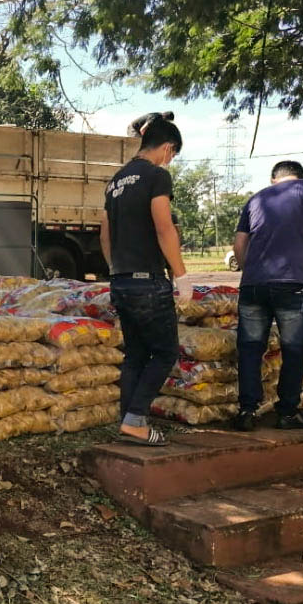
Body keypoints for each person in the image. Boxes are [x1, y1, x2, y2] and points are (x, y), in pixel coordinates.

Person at [231, 160, 303, 432]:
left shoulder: (256, 198)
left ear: (274, 180)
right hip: (291, 284)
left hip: (253, 285)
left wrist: (252, 271)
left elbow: (239, 244)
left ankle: (247, 411)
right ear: (300, 178)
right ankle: (287, 412)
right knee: (293, 349)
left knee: (250, 348)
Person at [100, 118, 190, 446]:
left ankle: (128, 421)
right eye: (172, 154)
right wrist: (181, 276)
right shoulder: (157, 176)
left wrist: (117, 270)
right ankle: (136, 421)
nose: (170, 160)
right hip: (149, 283)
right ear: (167, 147)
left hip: (121, 280)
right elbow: (164, 227)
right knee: (165, 353)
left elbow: (105, 233)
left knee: (135, 354)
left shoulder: (115, 181)